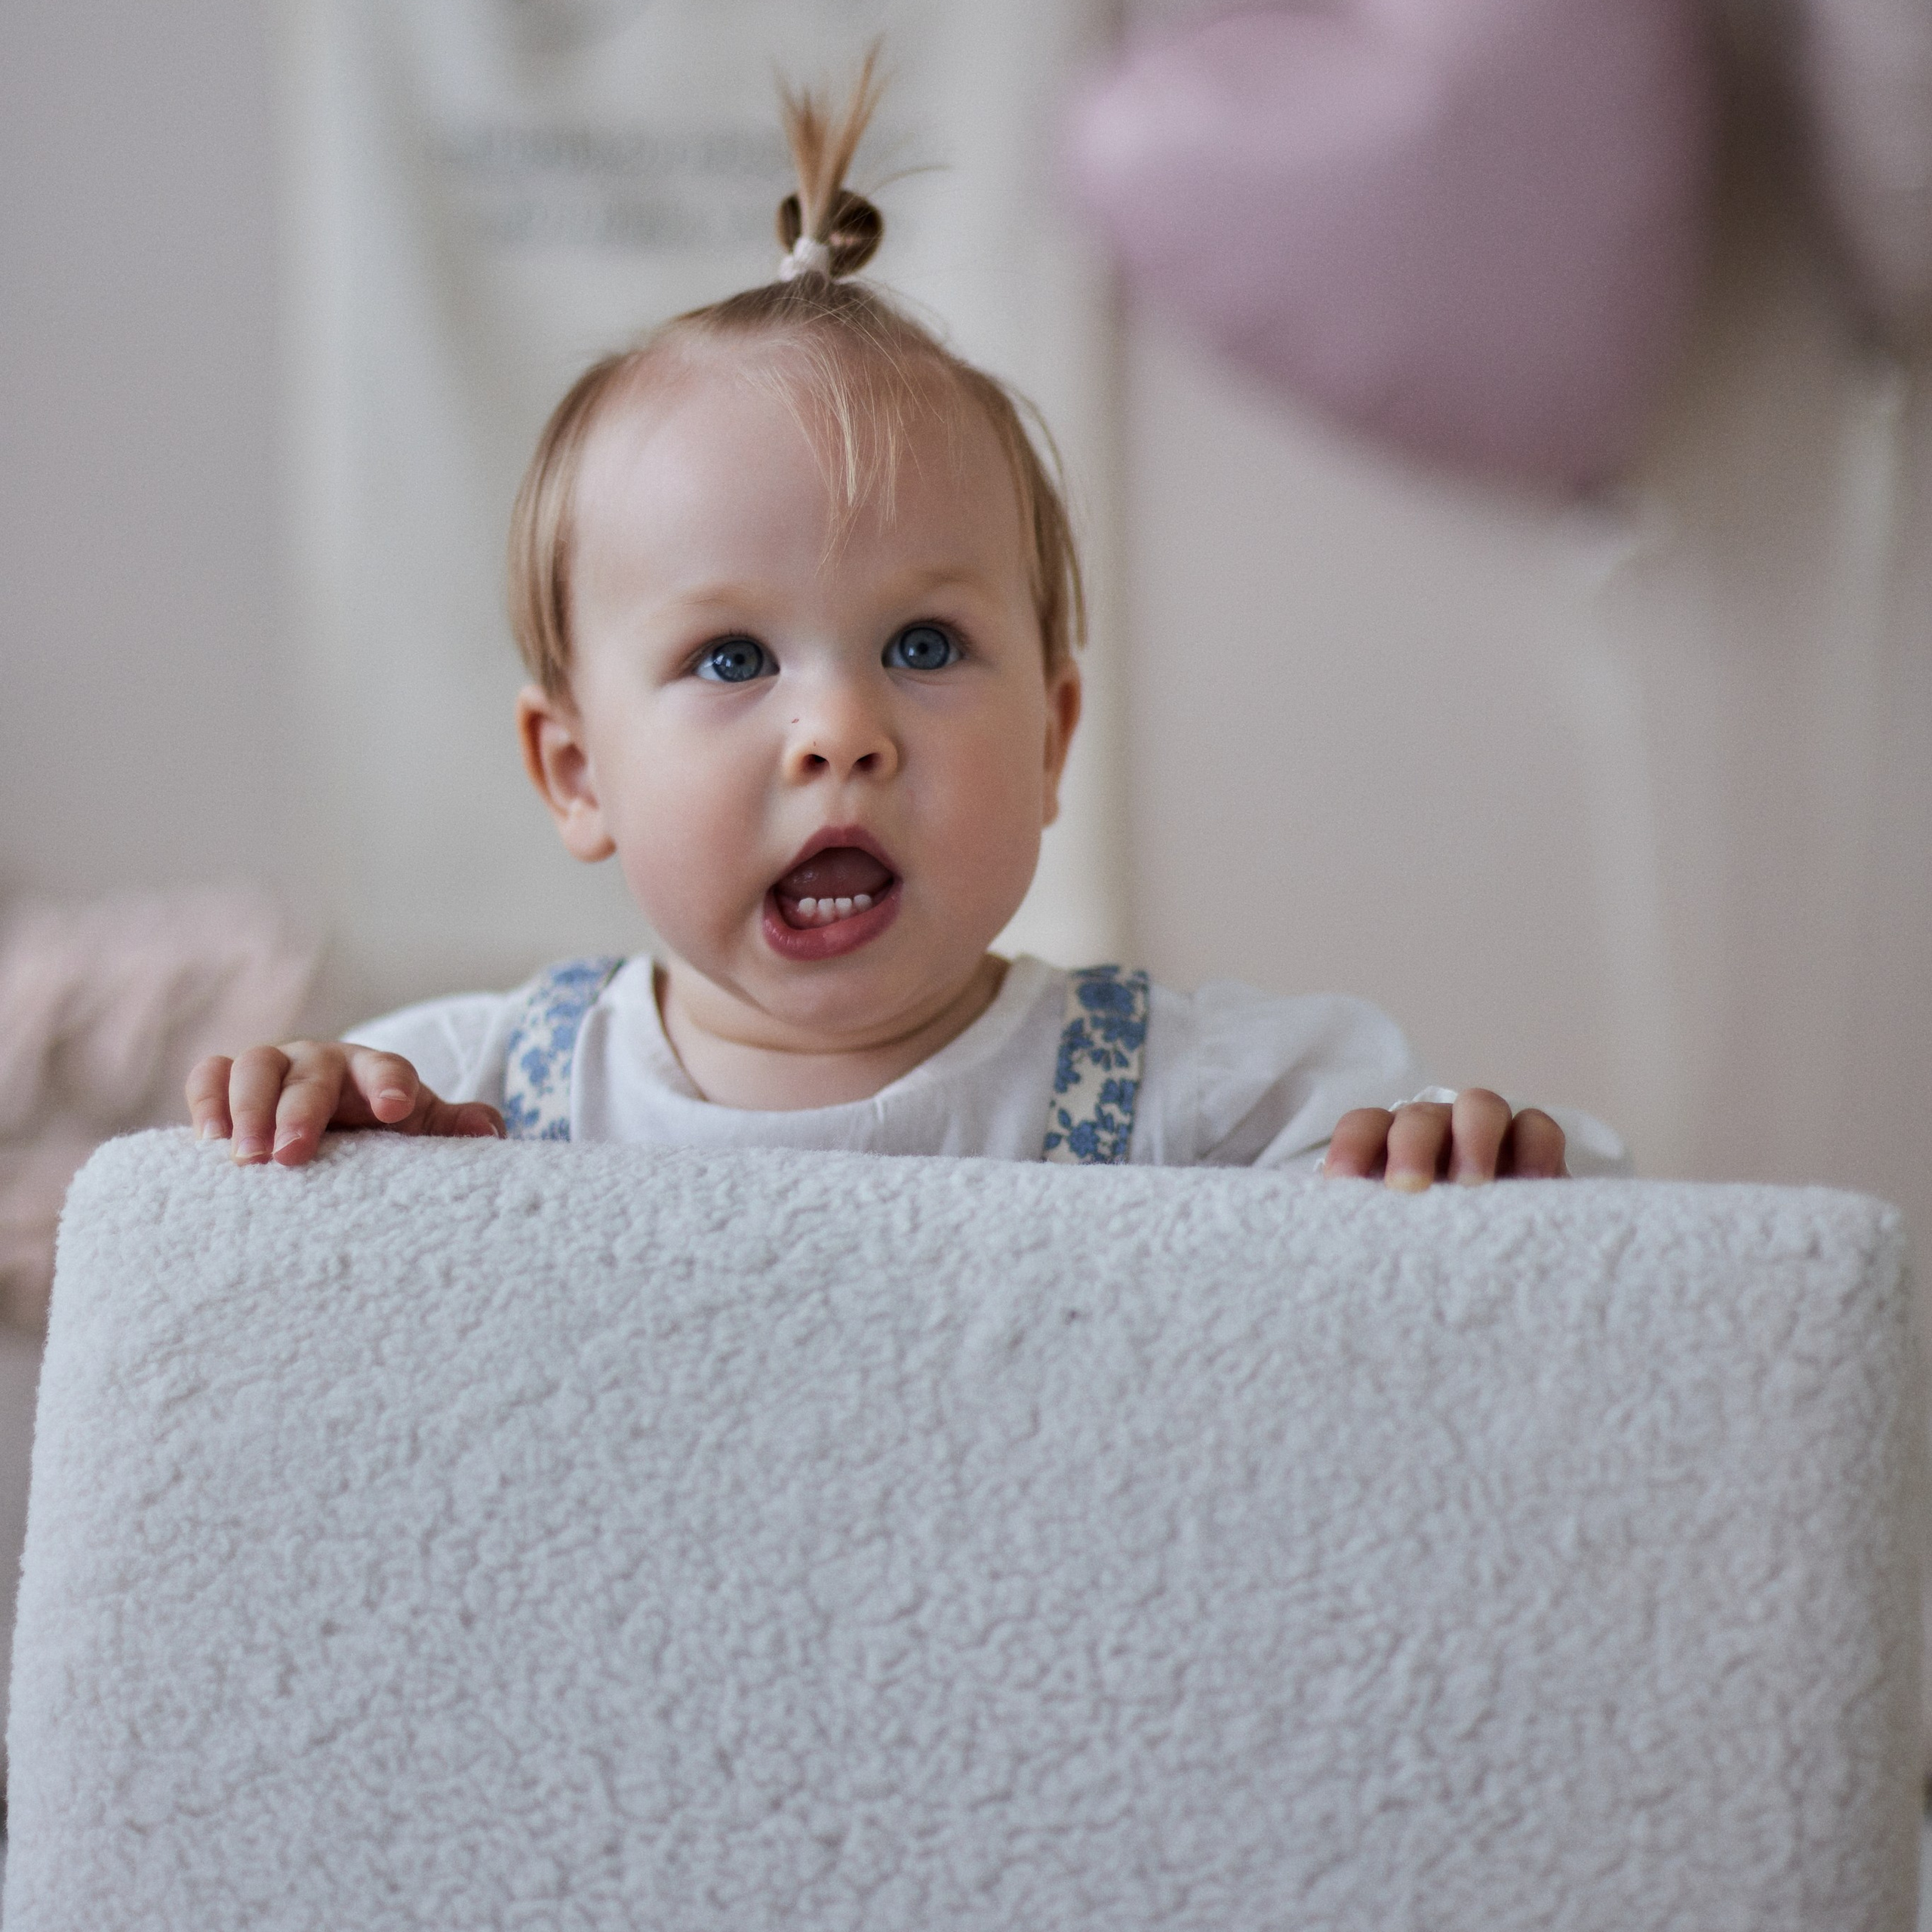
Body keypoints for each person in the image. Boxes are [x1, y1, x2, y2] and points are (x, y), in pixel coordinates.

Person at [186, 54, 1624, 1190]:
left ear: (1053, 735)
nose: (841, 733)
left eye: (923, 648)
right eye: (732, 658)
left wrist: (1462, 1162)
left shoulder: (1197, 1099)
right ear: (576, 772)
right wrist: (308, 1134)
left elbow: (1590, 1235)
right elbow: (272, 1273)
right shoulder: (474, 1096)